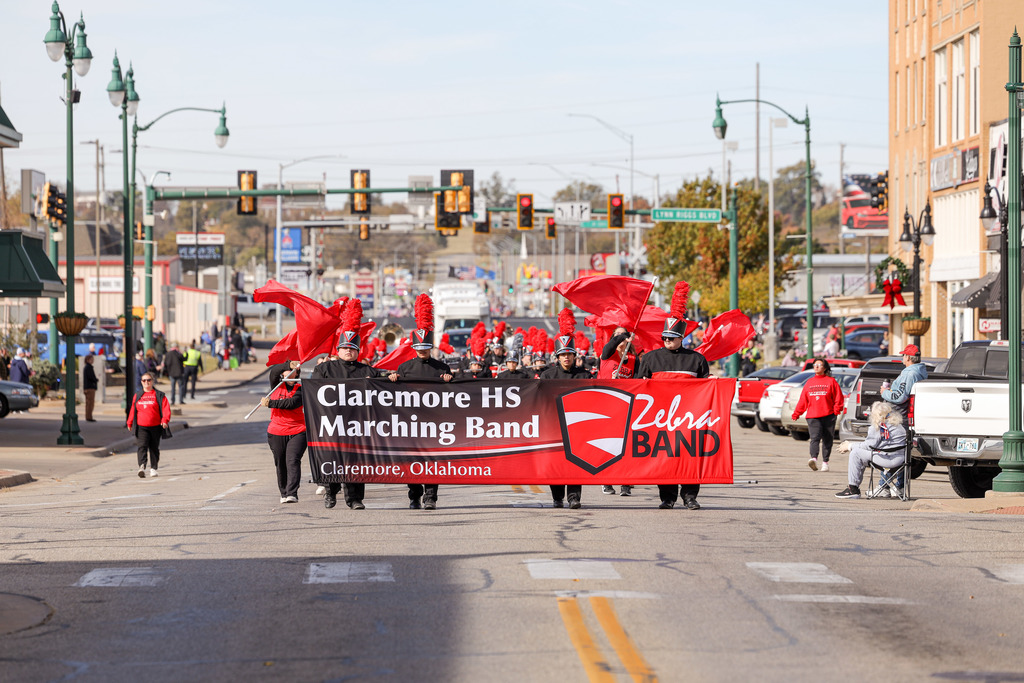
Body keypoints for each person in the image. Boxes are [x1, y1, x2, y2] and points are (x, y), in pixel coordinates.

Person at [635, 283, 710, 510]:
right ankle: (667, 497)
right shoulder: (650, 358)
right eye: (665, 338)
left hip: (689, 418)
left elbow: (706, 388)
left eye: (671, 338)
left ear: (681, 338)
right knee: (664, 460)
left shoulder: (696, 359)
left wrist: (714, 382)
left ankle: (689, 496)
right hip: (659, 418)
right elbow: (640, 386)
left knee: (690, 458)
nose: (667, 341)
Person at [387, 294, 452, 510]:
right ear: (414, 346)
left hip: (434, 422)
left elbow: (454, 395)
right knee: (411, 461)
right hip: (410, 422)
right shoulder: (405, 368)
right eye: (419, 347)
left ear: (430, 347)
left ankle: (430, 497)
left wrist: (449, 381)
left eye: (426, 347)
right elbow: (394, 395)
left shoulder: (442, 367)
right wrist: (393, 380)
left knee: (432, 461)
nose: (423, 350)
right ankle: (414, 495)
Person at [313, 302, 377, 510]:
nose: (348, 351)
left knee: (356, 462)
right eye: (345, 348)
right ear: (338, 349)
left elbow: (384, 383)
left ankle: (355, 499)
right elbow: (313, 390)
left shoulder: (364, 370)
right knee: (332, 459)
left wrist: (391, 377)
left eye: (352, 348)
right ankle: (330, 493)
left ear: (357, 351)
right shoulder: (326, 369)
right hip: (331, 423)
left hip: (357, 425)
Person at [541, 309, 591, 509]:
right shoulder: (547, 376)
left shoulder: (584, 376)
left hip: (576, 427)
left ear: (574, 355)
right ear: (557, 357)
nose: (566, 358)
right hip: (553, 427)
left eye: (569, 354)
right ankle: (557, 496)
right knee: (555, 464)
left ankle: (574, 497)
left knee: (575, 464)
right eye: (563, 355)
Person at [835, 401, 907, 499]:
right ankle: (856, 488)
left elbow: (868, 446)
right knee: (859, 452)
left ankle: (853, 489)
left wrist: (849, 446)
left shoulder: (878, 427)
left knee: (856, 453)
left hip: (886, 460)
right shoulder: (899, 426)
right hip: (901, 460)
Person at [599, 326, 638, 496]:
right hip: (606, 404)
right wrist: (621, 336)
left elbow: (637, 381)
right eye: (617, 335)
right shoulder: (608, 355)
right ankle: (606, 480)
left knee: (626, 446)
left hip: (626, 405)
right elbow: (609, 347)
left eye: (623, 334)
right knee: (608, 445)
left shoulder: (633, 359)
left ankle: (626, 482)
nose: (620, 338)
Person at [261, 361, 306, 504]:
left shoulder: (300, 388)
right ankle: (284, 492)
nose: (292, 374)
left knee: (292, 460)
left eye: (295, 373)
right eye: (289, 372)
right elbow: (274, 371)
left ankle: (292, 492)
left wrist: (271, 404)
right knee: (280, 462)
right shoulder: (275, 386)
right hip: (276, 431)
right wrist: (289, 364)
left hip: (298, 430)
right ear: (283, 374)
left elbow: (292, 404)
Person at [791, 357, 845, 472]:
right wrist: (797, 413)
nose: (816, 366)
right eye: (815, 364)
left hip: (829, 415)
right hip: (813, 416)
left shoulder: (831, 381)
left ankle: (825, 462)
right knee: (815, 437)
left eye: (819, 365)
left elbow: (838, 397)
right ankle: (813, 459)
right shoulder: (809, 382)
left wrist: (837, 409)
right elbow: (803, 400)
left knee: (827, 439)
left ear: (824, 368)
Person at [127, 373, 171, 478]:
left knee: (154, 447)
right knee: (142, 446)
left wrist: (165, 420)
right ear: (141, 382)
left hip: (155, 426)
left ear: (152, 381)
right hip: (141, 426)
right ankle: (142, 466)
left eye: (149, 380)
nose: (146, 382)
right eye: (144, 380)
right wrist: (129, 422)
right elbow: (133, 410)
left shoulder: (159, 395)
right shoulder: (137, 395)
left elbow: (166, 408)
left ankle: (153, 468)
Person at [880, 344, 927, 425]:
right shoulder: (918, 372)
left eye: (903, 355)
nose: (903, 357)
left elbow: (900, 397)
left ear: (908, 357)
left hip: (898, 417)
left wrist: (884, 392)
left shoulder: (909, 374)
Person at [83, 354, 98, 422]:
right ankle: (89, 417)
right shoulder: (88, 367)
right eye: (91, 359)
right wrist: (95, 380)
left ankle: (88, 416)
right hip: (90, 388)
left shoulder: (86, 367)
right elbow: (91, 377)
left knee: (88, 403)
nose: (92, 361)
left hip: (87, 387)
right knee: (90, 403)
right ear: (88, 360)